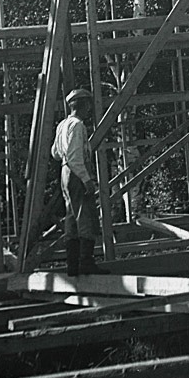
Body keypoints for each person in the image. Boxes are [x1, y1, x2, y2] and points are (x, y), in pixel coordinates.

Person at [52, 88, 108, 275]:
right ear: (83, 106)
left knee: (71, 218)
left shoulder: (62, 125)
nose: (89, 110)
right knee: (85, 218)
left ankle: (72, 266)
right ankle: (86, 263)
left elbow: (55, 153)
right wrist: (86, 180)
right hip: (76, 172)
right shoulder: (78, 126)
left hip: (65, 173)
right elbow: (75, 157)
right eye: (88, 106)